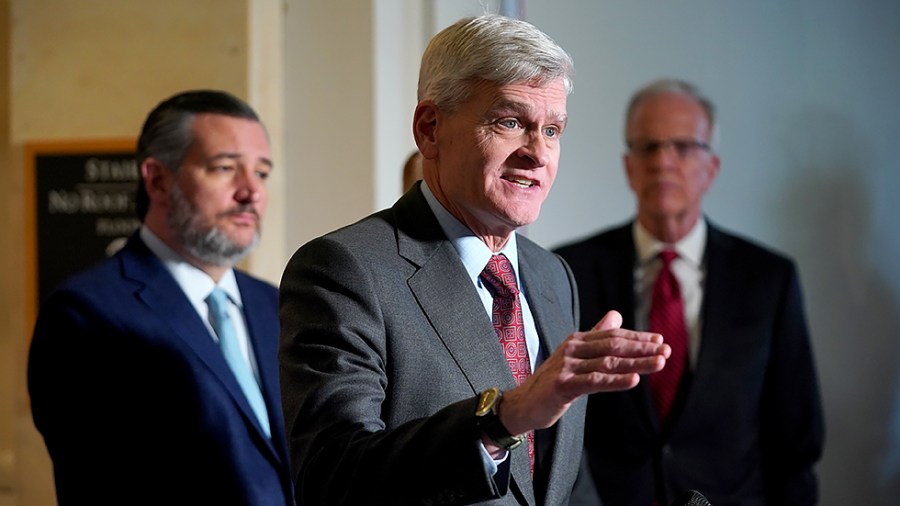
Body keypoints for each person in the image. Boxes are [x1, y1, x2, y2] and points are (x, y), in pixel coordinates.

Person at [278, 15, 671, 506]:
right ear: (430, 129)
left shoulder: (553, 276)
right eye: (510, 122)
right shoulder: (345, 269)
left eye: (552, 130)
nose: (538, 154)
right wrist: (502, 416)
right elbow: (332, 476)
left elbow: (557, 483)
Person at [555, 78, 825, 505]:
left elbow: (795, 442)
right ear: (628, 166)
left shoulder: (768, 279)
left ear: (711, 168)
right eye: (648, 147)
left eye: (682, 147)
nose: (663, 161)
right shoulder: (567, 271)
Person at [28, 90, 294, 505]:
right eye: (225, 168)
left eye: (261, 173)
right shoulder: (86, 313)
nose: (251, 192)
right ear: (157, 180)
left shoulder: (275, 305)